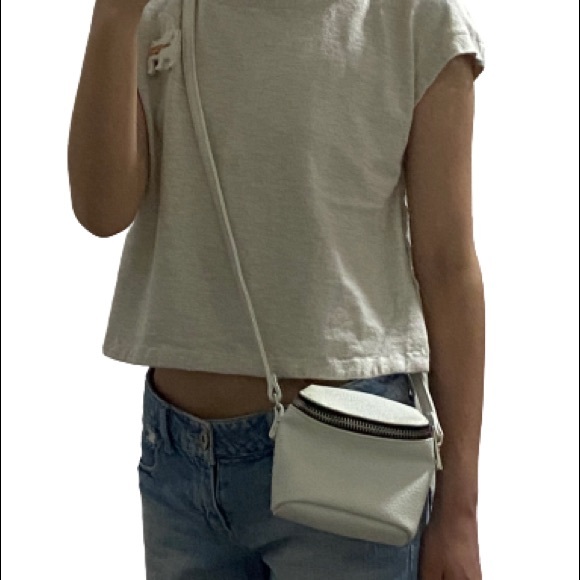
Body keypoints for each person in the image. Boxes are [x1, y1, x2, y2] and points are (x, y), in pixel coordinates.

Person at [68, 0, 486, 577]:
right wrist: (115, 17)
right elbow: (101, 210)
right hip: (179, 464)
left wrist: (460, 512)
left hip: (354, 457)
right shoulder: (159, 13)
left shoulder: (415, 19)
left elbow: (447, 267)